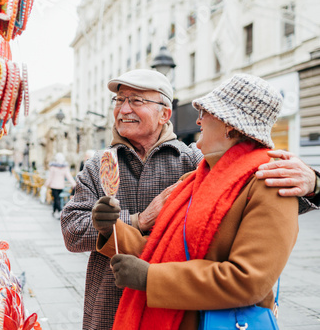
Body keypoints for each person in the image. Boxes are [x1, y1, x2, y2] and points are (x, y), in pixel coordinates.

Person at [60, 69, 320, 330]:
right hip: (114, 305)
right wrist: (117, 226)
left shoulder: (210, 167)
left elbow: (253, 266)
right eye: (119, 100)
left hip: (198, 315)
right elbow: (158, 247)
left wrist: (314, 182)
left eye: (136, 100)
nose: (123, 108)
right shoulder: (196, 175)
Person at [44, 153, 76, 218]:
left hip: (54, 186)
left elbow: (50, 177)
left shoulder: (53, 167)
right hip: (61, 186)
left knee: (56, 198)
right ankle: (54, 210)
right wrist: (74, 184)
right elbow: (69, 176)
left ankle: (59, 211)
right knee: (56, 198)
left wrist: (45, 185)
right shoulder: (64, 167)